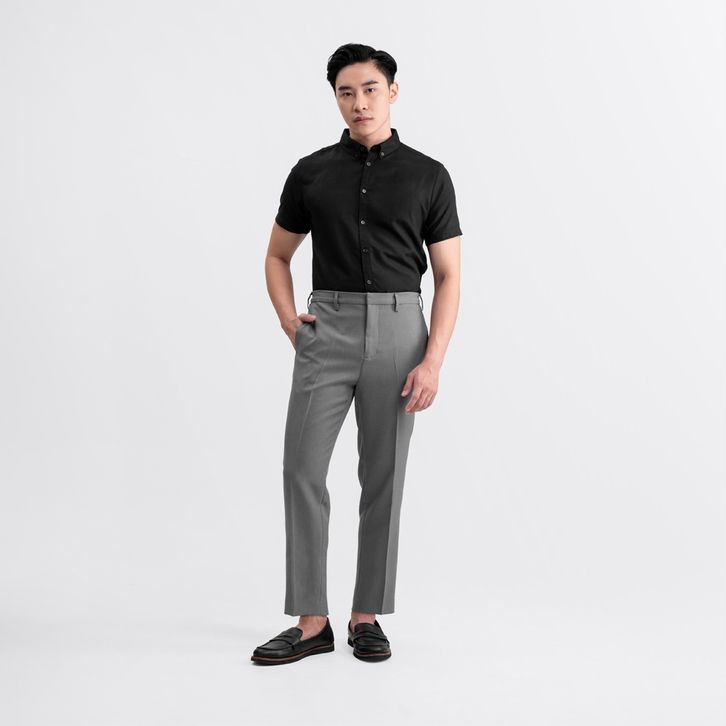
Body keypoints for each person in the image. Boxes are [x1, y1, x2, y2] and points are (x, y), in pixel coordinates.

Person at [251, 43, 462, 665]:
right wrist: (291, 322)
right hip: (329, 328)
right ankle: (311, 621)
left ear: (392, 91)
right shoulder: (311, 172)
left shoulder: (429, 176)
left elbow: (448, 275)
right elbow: (277, 255)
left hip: (400, 333)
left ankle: (366, 615)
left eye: (370, 89)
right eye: (346, 92)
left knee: (384, 476)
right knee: (301, 468)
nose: (359, 102)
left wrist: (433, 360)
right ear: (336, 99)